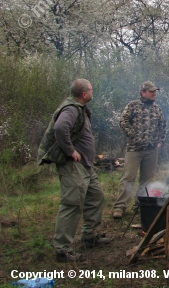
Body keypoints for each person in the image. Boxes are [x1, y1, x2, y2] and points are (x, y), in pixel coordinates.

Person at [38, 79, 109, 263]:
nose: (93, 92)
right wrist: (70, 151)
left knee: (96, 196)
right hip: (73, 166)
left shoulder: (80, 108)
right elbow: (60, 128)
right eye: (91, 90)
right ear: (84, 94)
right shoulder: (71, 108)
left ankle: (89, 236)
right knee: (72, 204)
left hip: (85, 165)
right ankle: (62, 250)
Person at [113, 81, 167, 218]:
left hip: (151, 150)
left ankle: (140, 204)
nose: (154, 93)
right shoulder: (133, 106)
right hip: (134, 149)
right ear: (143, 92)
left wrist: (160, 142)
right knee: (128, 178)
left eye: (155, 91)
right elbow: (123, 121)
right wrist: (133, 135)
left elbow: (163, 127)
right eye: (151, 91)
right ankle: (120, 207)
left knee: (147, 180)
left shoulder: (157, 109)